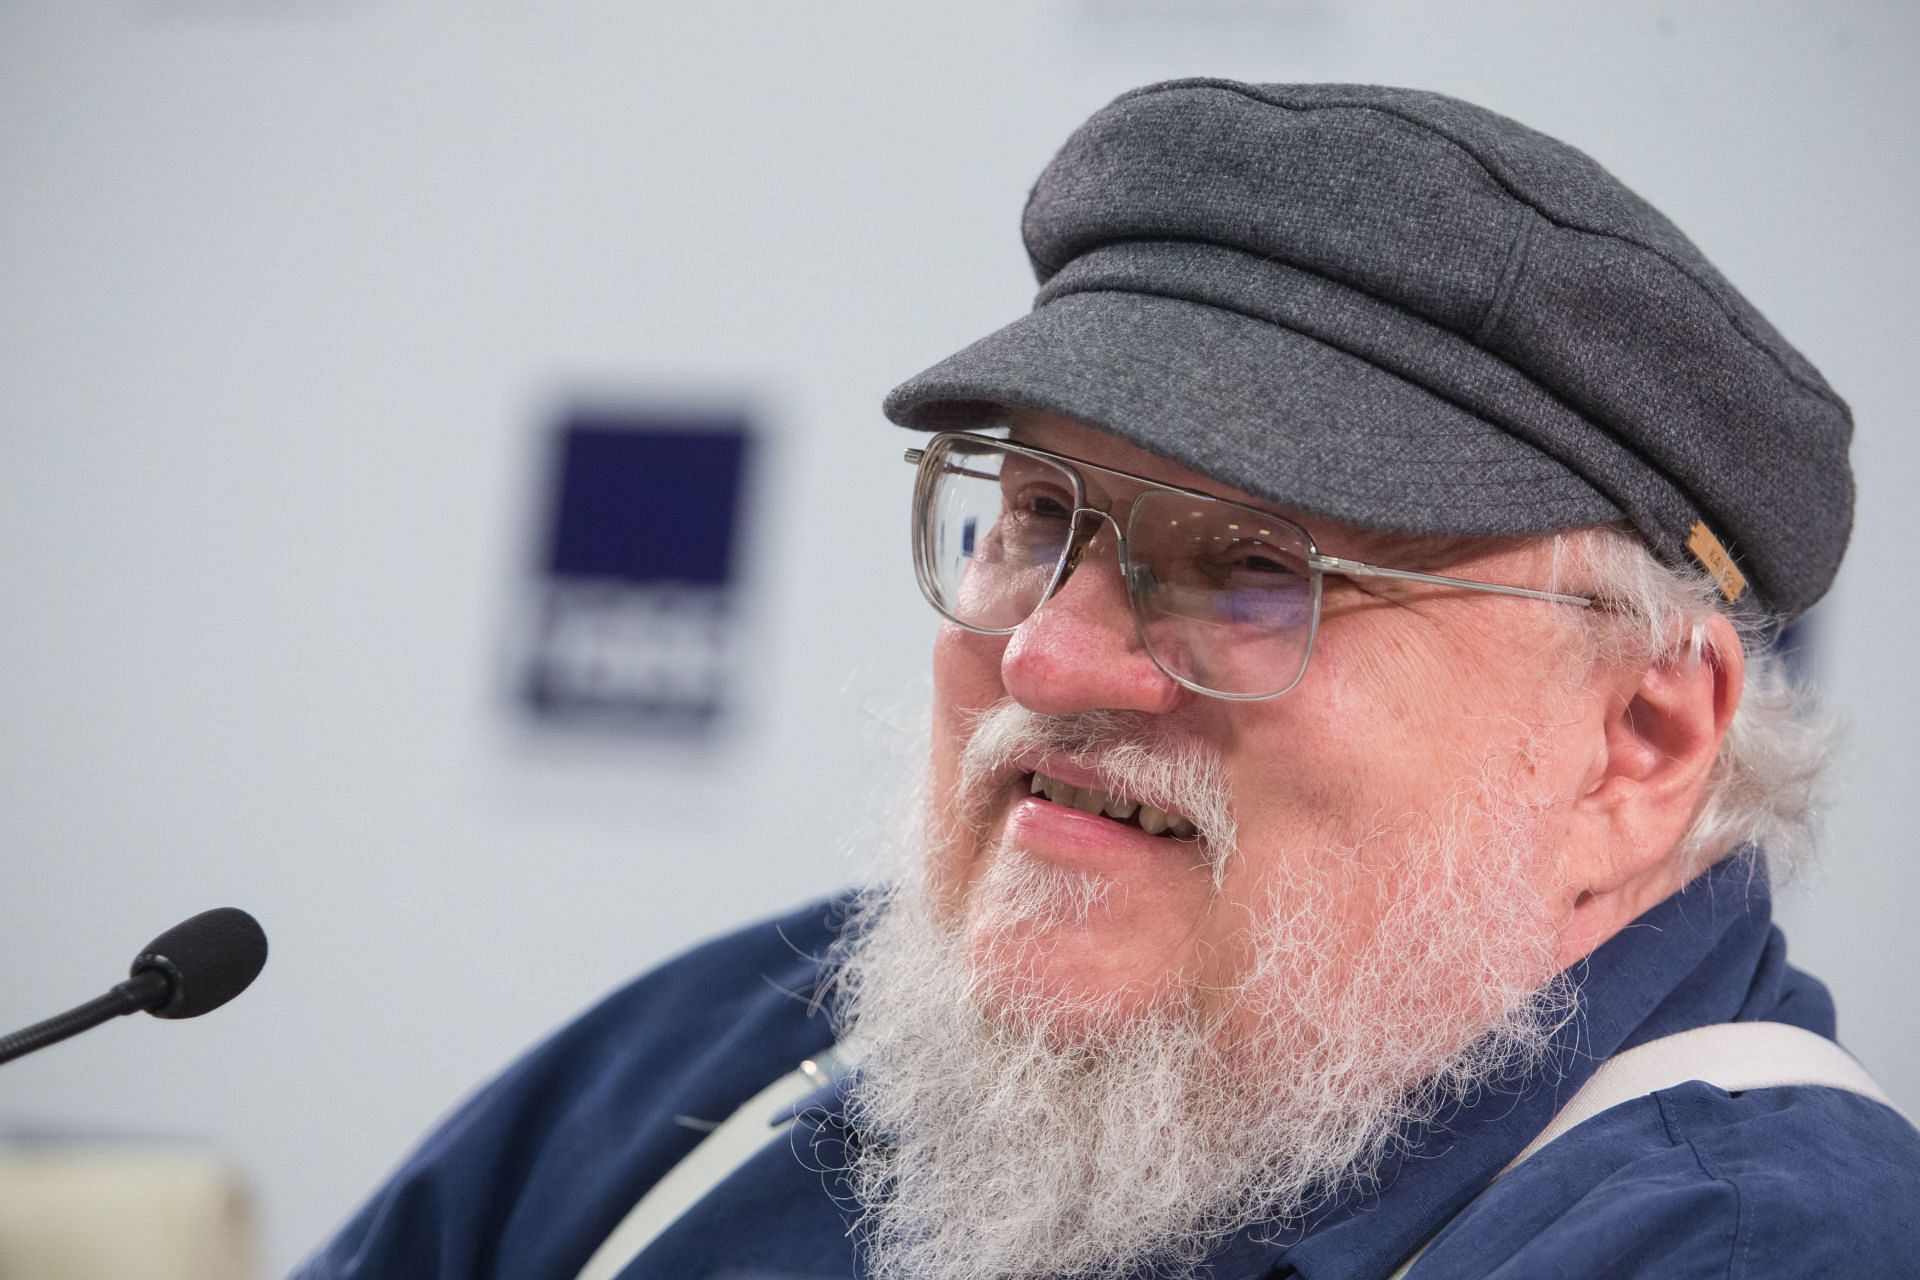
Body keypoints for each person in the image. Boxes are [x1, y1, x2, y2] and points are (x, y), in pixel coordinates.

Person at [297, 80, 1920, 1280]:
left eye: (1250, 570)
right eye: (1024, 523)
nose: (1049, 656)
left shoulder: (1754, 1243)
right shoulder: (746, 1056)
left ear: (1636, 741)